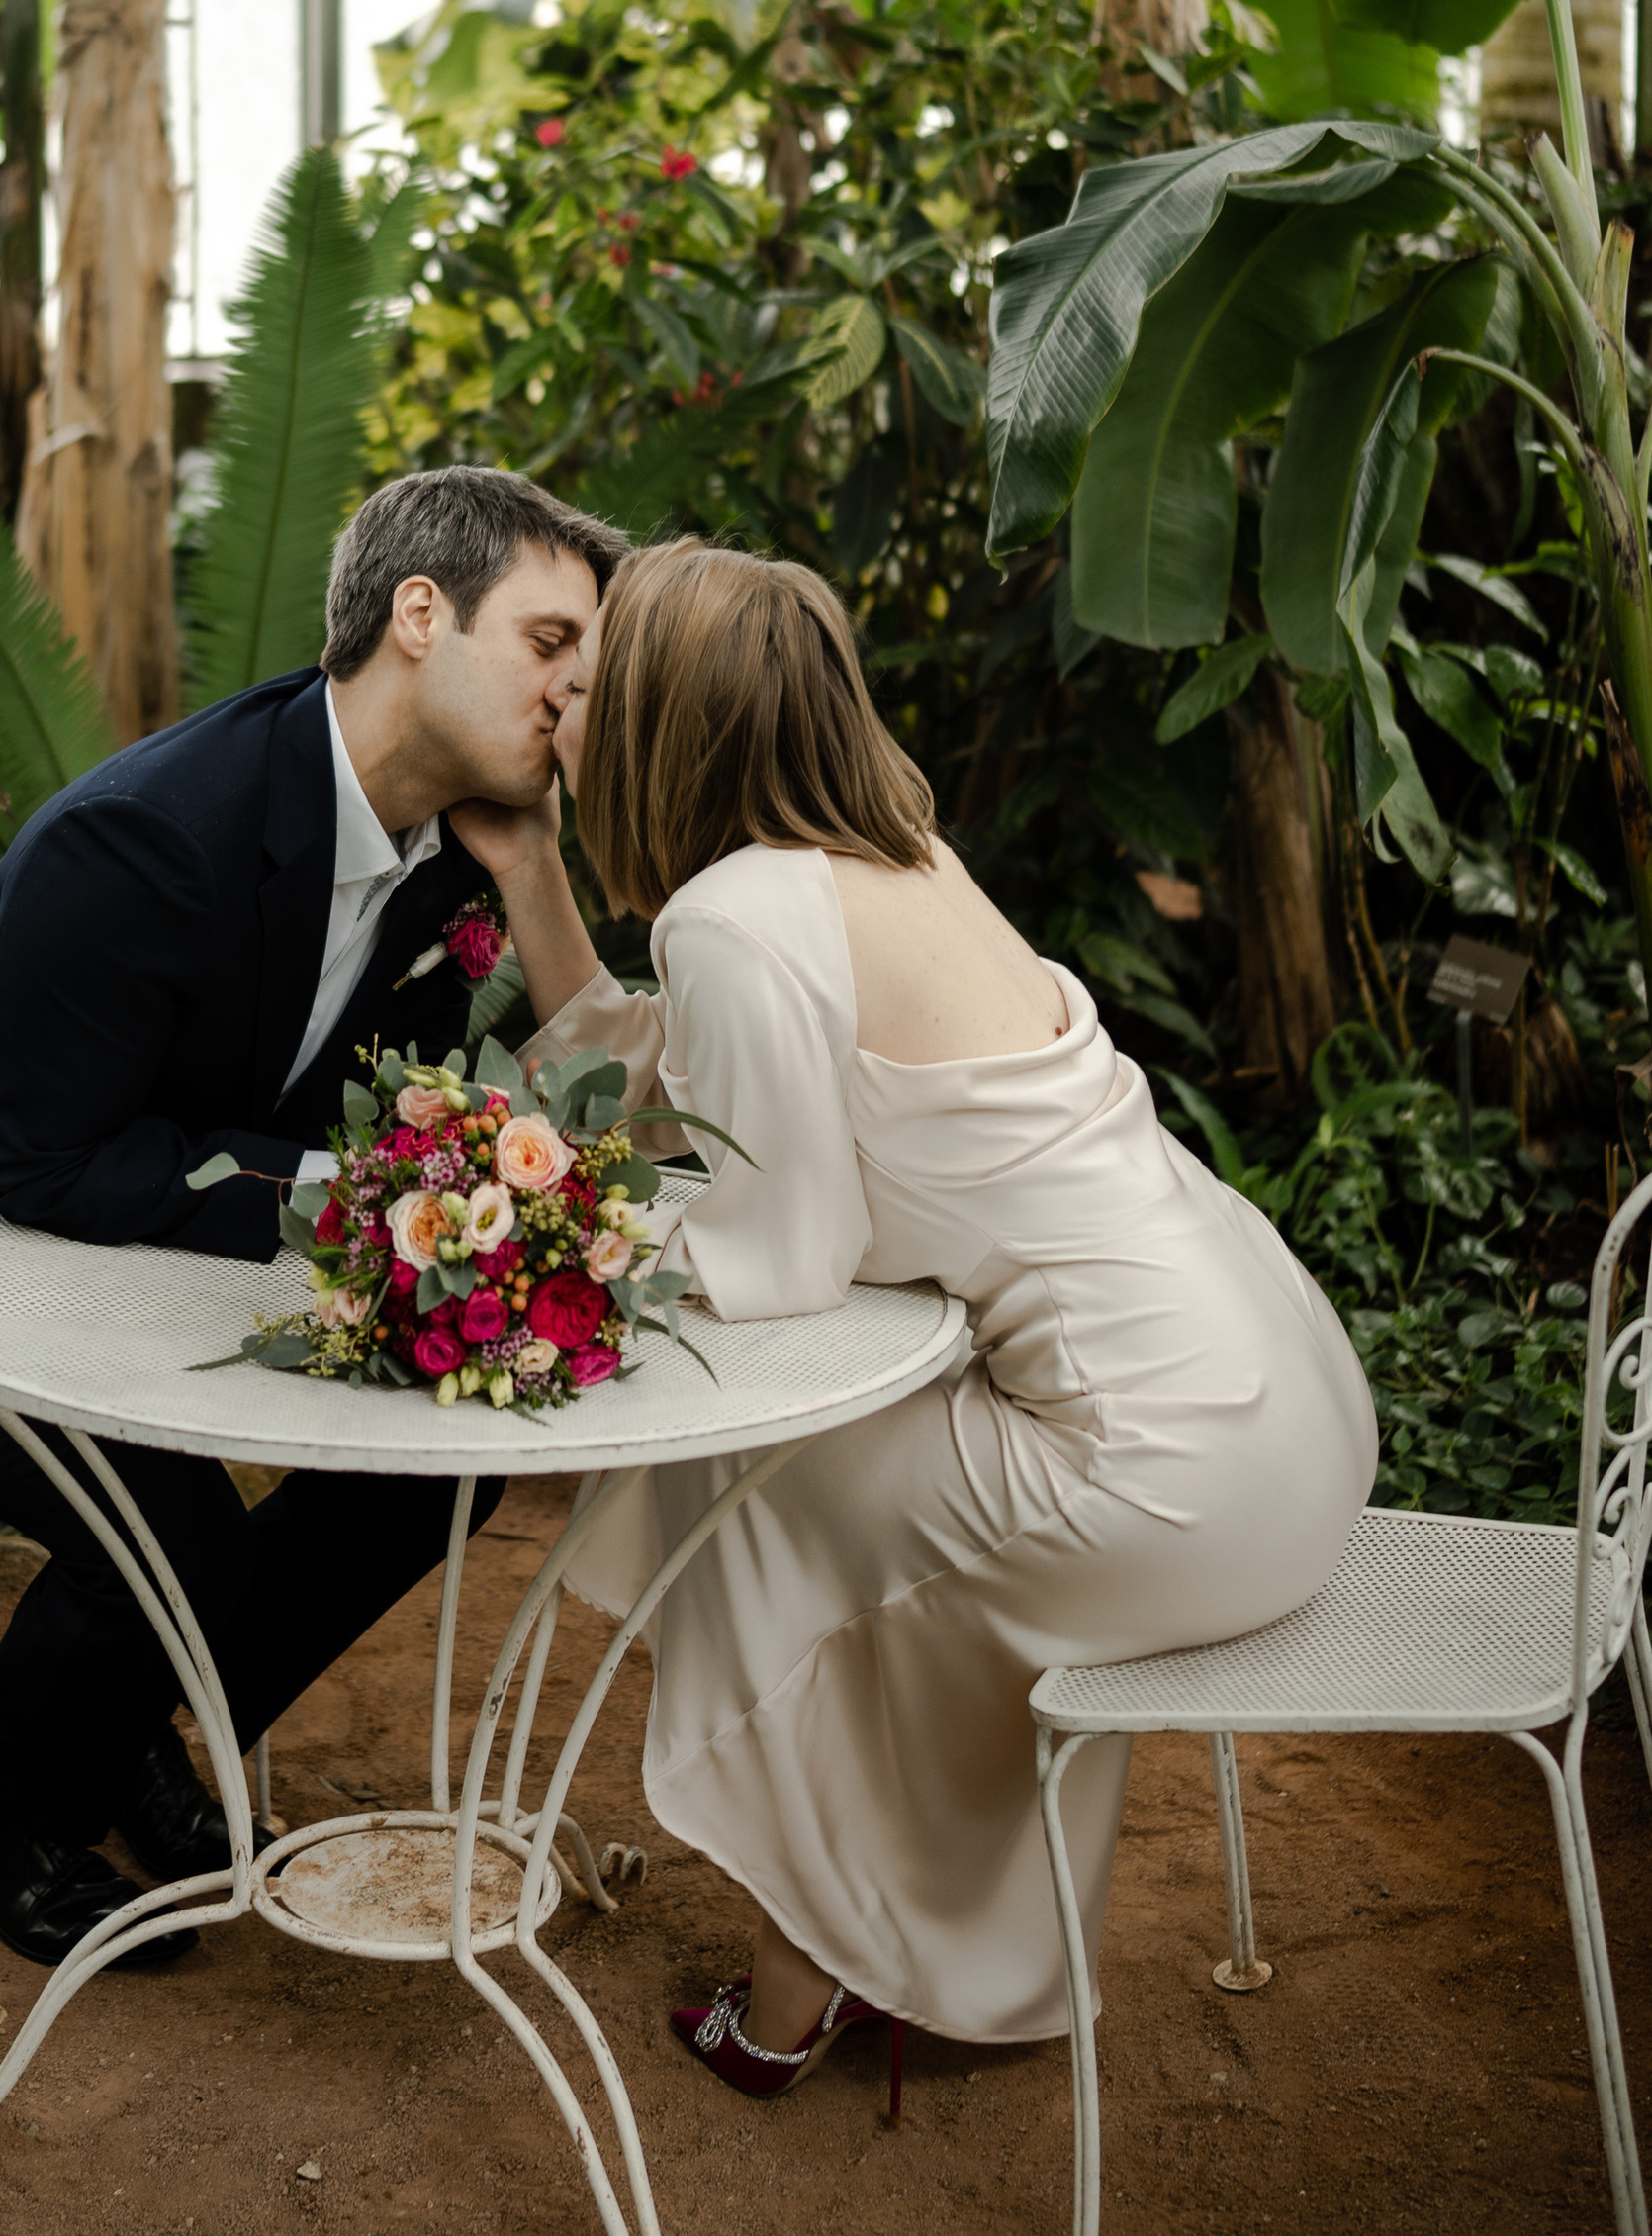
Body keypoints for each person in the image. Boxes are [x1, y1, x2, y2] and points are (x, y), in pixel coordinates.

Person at [459, 541, 1376, 2094]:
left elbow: (780, 1254)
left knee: (742, 1483)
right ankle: (918, 1953)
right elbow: (664, 1082)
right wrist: (535, 875)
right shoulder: (891, 861)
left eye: (594, 683)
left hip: (1162, 1477)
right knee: (803, 1487)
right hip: (1280, 1405)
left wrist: (548, 1245)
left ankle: (805, 1975)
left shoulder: (741, 917)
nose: (562, 702)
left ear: (675, 717)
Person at [0, 466, 624, 1971]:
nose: (573, 691)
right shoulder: (152, 837)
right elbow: (42, 1162)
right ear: (420, 615)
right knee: (168, 1537)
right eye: (550, 643)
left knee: (437, 1473)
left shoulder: (441, 858)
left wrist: (533, 872)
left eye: (585, 666)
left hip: (115, 1240)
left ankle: (128, 1729)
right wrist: (360, 1199)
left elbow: (374, 1095)